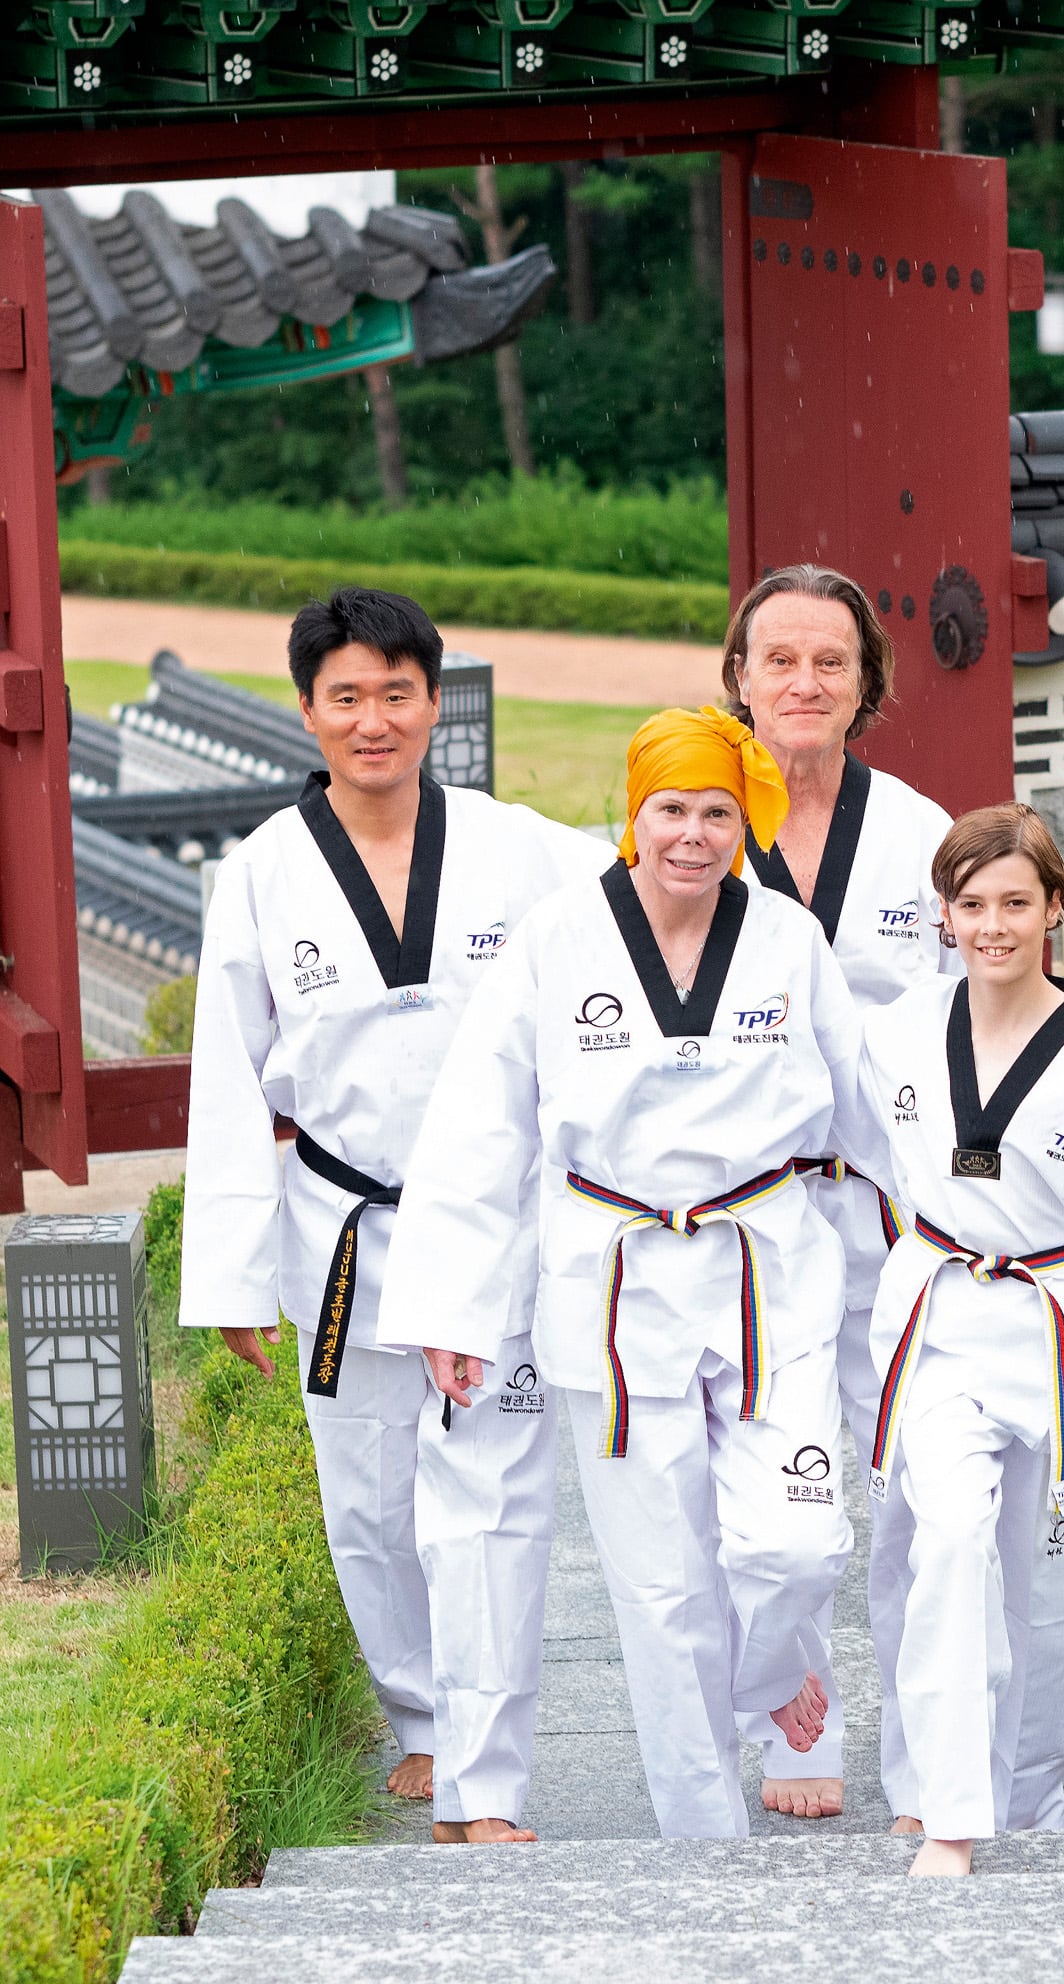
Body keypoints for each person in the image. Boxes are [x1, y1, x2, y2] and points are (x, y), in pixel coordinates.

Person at [379, 706, 857, 1839]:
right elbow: (481, 1128)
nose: (691, 835)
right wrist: (457, 1305)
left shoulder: (788, 940)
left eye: (715, 813)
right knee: (662, 1592)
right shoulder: (554, 939)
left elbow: (870, 1095)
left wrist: (956, 1234)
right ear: (631, 819)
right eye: (670, 811)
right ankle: (703, 1840)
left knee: (796, 1539)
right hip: (610, 1282)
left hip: (763, 1270)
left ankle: (778, 1663)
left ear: (743, 823)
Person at [179, 585, 607, 1844]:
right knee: (366, 1501)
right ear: (307, 710)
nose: (375, 719)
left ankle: (484, 1762)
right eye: (347, 696)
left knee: (493, 1499)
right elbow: (226, 1078)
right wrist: (230, 1276)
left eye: (397, 692)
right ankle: (422, 1718)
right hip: (339, 1225)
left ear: (436, 700)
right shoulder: (260, 872)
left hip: (484, 1226)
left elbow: (661, 898)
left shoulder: (523, 846)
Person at [843, 803, 1064, 1873]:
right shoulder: (898, 1028)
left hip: (1057, 1323)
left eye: (1014, 902)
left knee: (1052, 1589)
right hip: (941, 1314)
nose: (992, 924)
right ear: (942, 915)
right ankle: (947, 1809)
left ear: (1055, 907)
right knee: (944, 1543)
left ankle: (1029, 1801)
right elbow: (849, 1160)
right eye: (970, 904)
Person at [723, 562, 960, 1824]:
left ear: (866, 681)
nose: (804, 682)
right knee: (777, 1491)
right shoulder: (694, 826)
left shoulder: (923, 835)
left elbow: (970, 1021)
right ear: (740, 679)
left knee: (918, 1479)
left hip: (887, 1207)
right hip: (749, 1215)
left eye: (830, 660)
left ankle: (926, 1751)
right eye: (780, 659)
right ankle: (793, 1722)